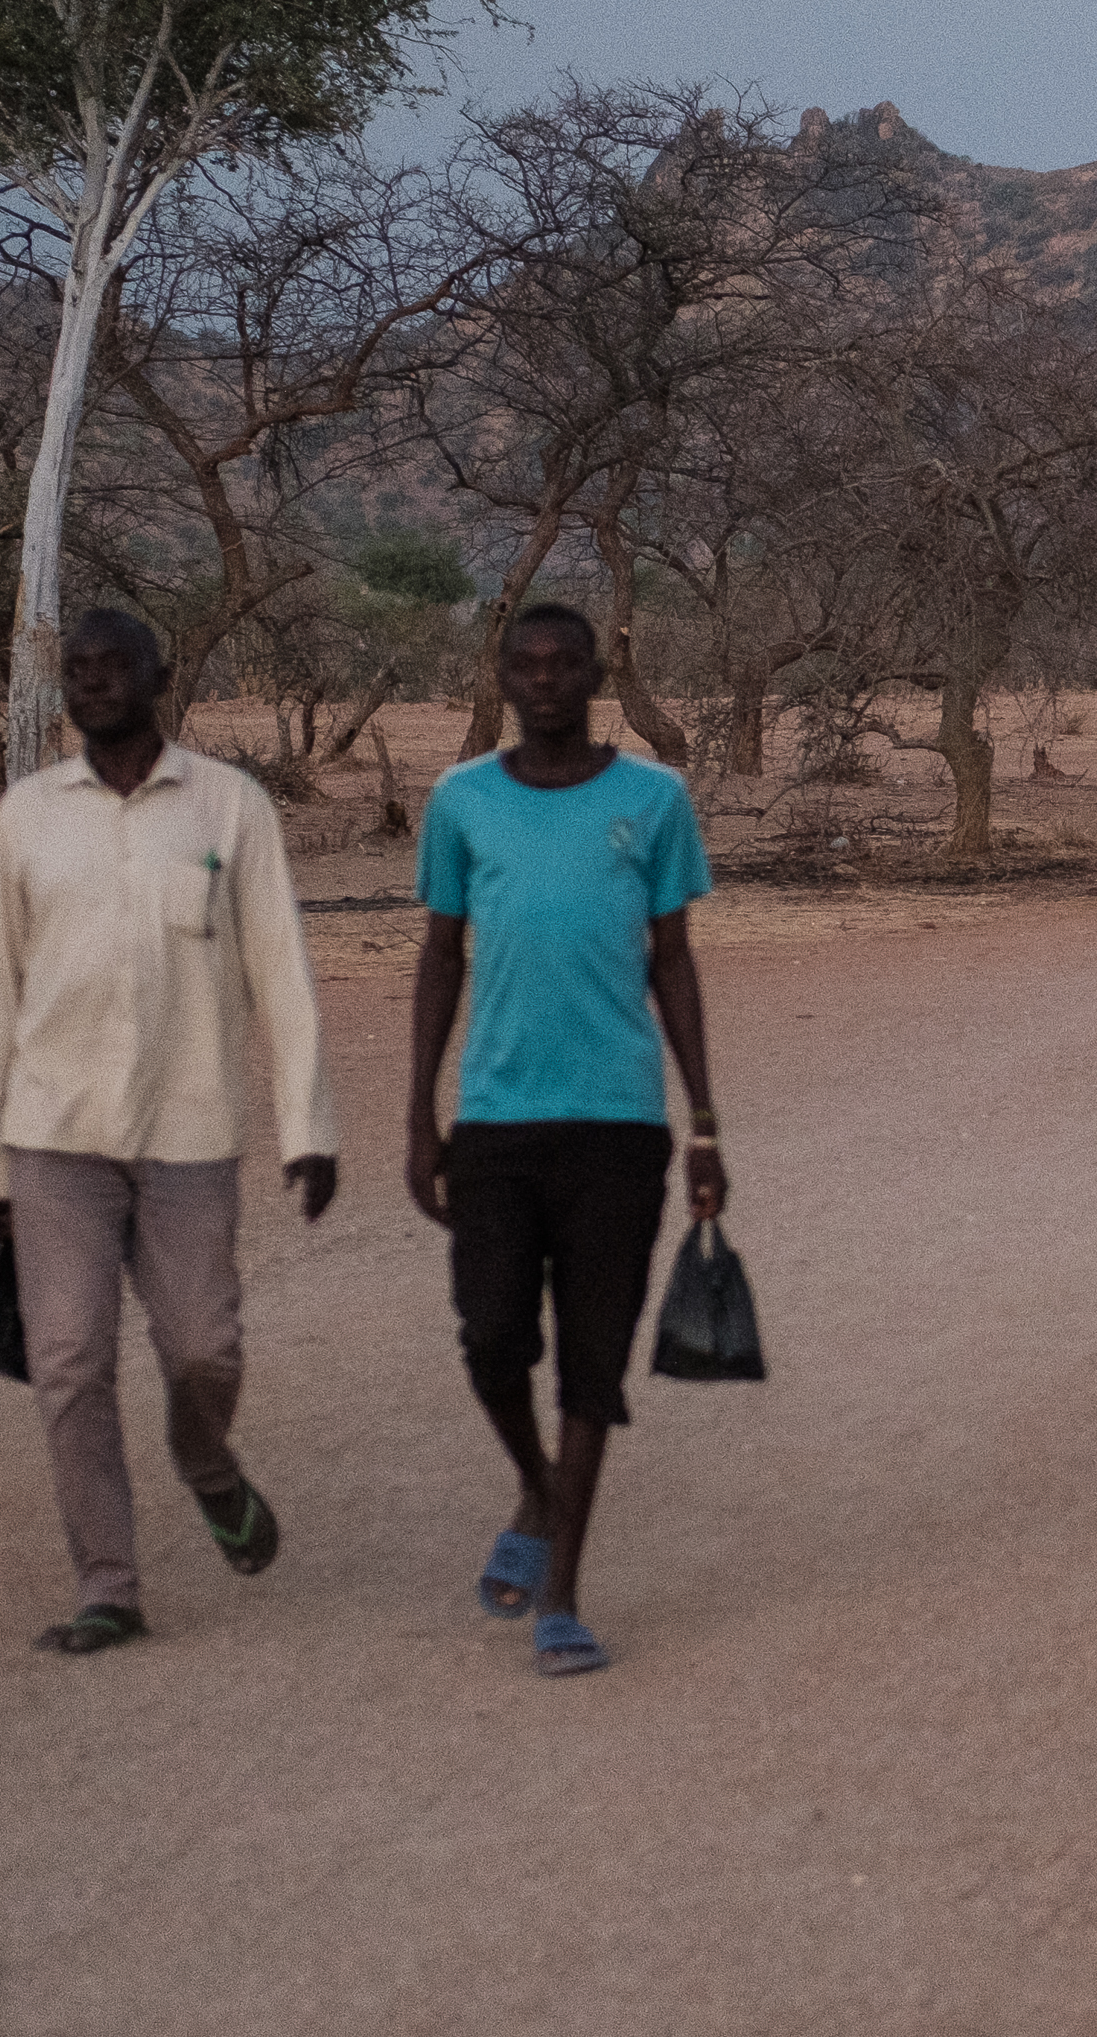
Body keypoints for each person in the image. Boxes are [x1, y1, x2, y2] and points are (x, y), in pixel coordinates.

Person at [0, 609, 336, 1656]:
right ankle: (109, 1586)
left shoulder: (229, 807)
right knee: (71, 1362)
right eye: (74, 671)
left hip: (189, 1128)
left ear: (156, 676)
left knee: (204, 1351)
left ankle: (208, 1468)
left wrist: (307, 1124)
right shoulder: (28, 817)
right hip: (55, 1134)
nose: (92, 685)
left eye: (111, 667)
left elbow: (281, 974)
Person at [405, 602, 725, 1679]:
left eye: (564, 664)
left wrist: (704, 1124)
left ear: (599, 674)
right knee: (490, 1336)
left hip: (619, 1125)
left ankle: (563, 1590)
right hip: (495, 1120)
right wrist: (418, 1115)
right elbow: (441, 955)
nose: (544, 680)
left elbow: (672, 960)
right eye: (524, 665)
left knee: (592, 1361)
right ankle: (536, 1488)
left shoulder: (655, 799)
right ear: (500, 677)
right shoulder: (461, 802)